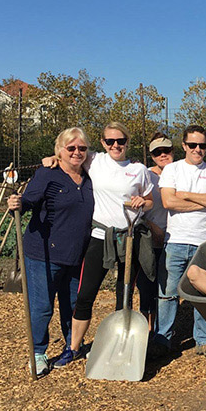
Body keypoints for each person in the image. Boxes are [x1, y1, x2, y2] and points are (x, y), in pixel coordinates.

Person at [7, 128, 95, 375]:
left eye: (82, 148)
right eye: (71, 148)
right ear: (60, 150)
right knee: (42, 306)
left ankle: (72, 346)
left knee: (73, 304)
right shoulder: (47, 174)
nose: (77, 152)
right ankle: (38, 352)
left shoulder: (89, 177)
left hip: (77, 254)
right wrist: (19, 203)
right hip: (43, 253)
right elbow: (30, 200)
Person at [67, 122, 154, 361]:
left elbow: (149, 202)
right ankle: (73, 347)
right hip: (100, 237)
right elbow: (69, 156)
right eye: (110, 141)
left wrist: (141, 203)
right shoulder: (94, 160)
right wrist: (51, 160)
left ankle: (119, 346)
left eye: (121, 141)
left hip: (129, 237)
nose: (116, 146)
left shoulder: (139, 169)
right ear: (103, 143)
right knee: (86, 293)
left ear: (127, 141)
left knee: (124, 295)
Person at [159, 125, 206, 357]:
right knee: (169, 293)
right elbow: (169, 202)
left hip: (204, 242)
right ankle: (162, 339)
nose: (198, 149)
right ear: (184, 146)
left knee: (203, 292)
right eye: (193, 145)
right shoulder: (172, 170)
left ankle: (203, 338)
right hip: (176, 240)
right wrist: (204, 201)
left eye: (202, 146)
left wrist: (185, 194)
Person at [142, 133, 174, 357]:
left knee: (167, 288)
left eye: (166, 151)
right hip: (152, 238)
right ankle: (146, 333)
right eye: (157, 152)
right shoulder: (146, 176)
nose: (163, 155)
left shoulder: (181, 171)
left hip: (175, 238)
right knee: (148, 287)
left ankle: (164, 333)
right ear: (151, 155)